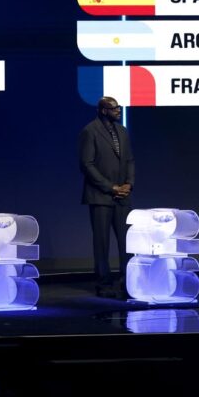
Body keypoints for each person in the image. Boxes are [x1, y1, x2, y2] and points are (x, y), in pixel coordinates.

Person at [79, 96, 135, 298]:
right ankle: (103, 282)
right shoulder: (90, 131)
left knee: (127, 241)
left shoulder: (123, 131)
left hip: (123, 197)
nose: (118, 111)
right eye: (114, 108)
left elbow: (129, 160)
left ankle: (127, 280)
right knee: (102, 243)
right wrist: (111, 187)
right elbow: (87, 165)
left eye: (119, 108)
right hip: (101, 196)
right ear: (103, 110)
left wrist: (129, 184)